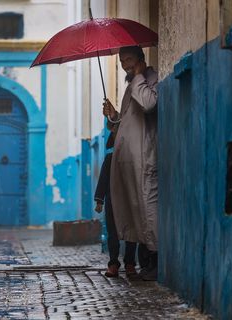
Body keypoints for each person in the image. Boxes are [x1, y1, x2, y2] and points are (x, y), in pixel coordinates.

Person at [102, 46, 159, 281]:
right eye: (122, 60)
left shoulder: (151, 79)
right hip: (127, 160)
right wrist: (114, 115)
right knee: (134, 210)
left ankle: (156, 260)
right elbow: (127, 122)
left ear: (141, 59)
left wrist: (137, 76)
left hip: (144, 158)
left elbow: (148, 104)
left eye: (129, 59)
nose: (125, 64)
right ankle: (144, 262)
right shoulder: (131, 85)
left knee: (147, 208)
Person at [94, 132, 141, 278]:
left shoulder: (133, 159)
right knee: (112, 232)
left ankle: (130, 263)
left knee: (131, 232)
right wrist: (99, 200)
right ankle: (113, 263)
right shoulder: (109, 159)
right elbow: (103, 180)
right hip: (112, 201)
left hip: (129, 201)